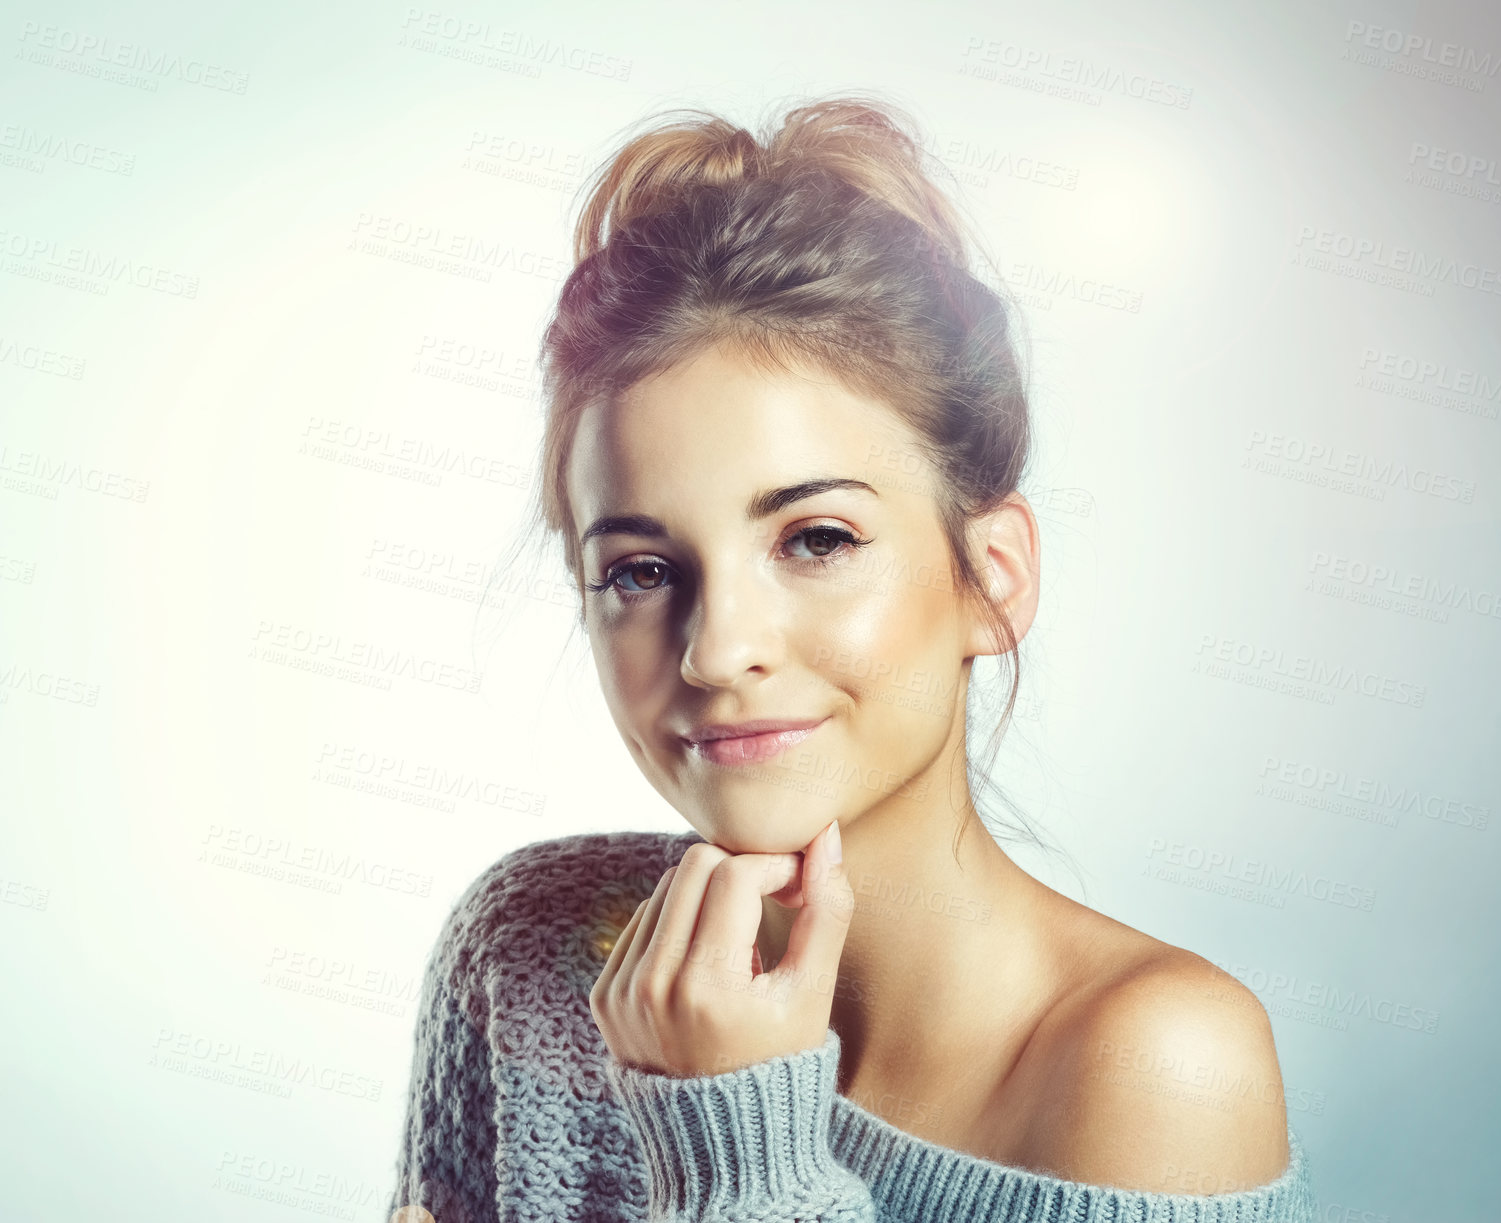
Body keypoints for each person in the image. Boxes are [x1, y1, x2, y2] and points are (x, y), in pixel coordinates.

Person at [389, 92, 1315, 1223]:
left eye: (816, 539)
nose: (719, 648)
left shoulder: (1156, 1063)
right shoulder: (532, 948)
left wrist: (738, 1150)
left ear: (993, 575)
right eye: (638, 569)